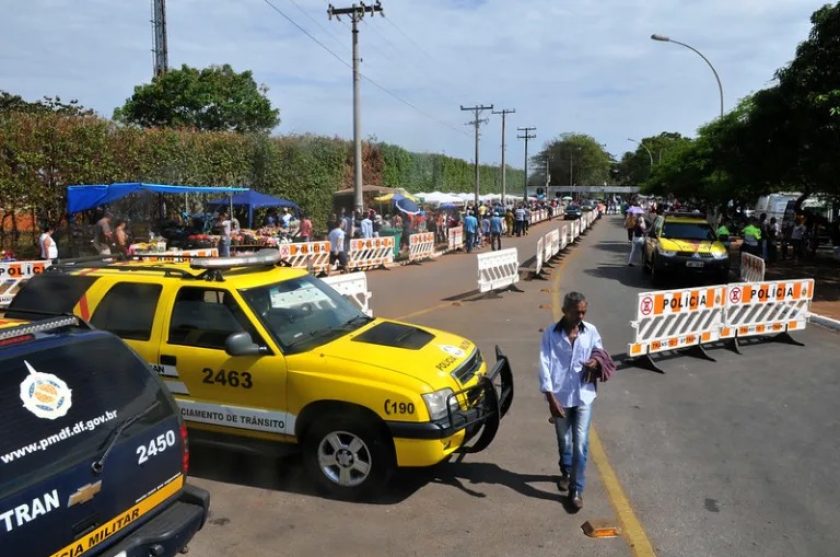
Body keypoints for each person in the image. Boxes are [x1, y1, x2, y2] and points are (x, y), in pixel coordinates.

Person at [539, 292, 603, 510]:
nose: (581, 316)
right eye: (577, 312)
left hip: (584, 395)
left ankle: (576, 489)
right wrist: (550, 398)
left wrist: (595, 361)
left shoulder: (591, 331)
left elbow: (600, 352)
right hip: (560, 396)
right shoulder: (550, 333)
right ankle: (566, 471)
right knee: (565, 441)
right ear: (565, 311)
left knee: (581, 444)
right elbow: (544, 363)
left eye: (584, 312)